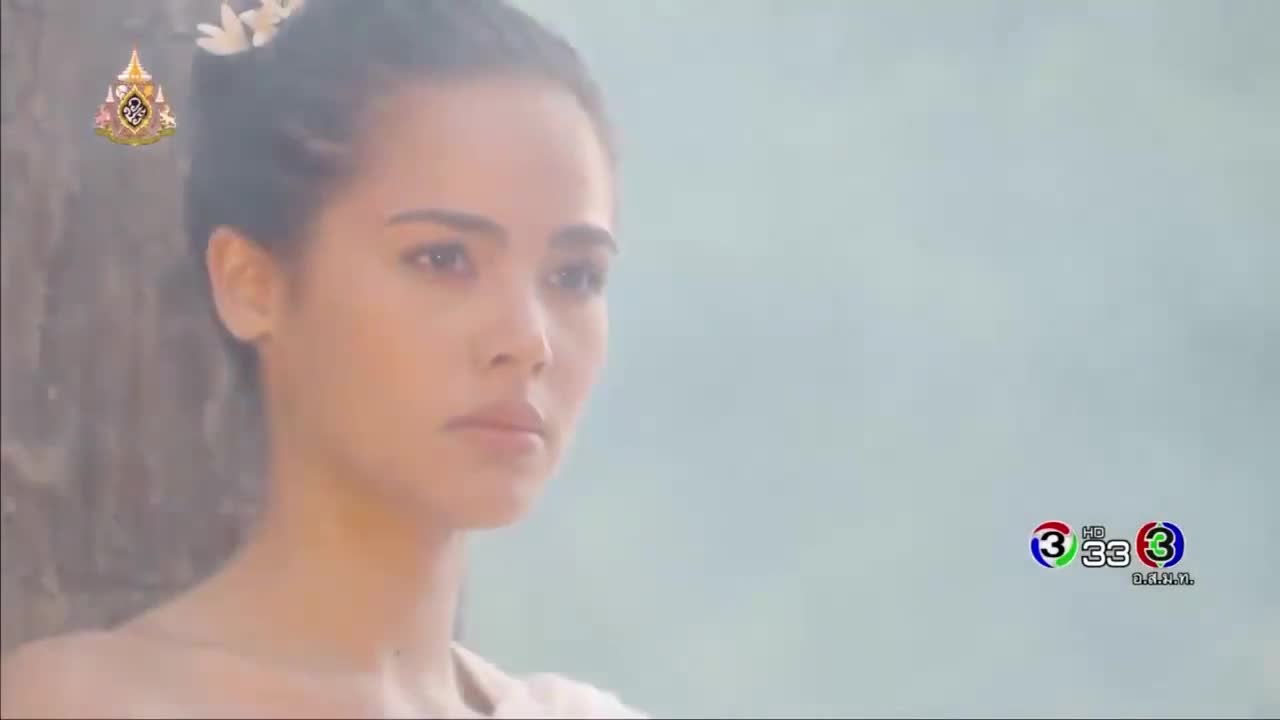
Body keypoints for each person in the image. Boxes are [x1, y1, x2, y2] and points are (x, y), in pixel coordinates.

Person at [1, 0, 642, 717]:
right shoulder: (91, 703)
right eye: (442, 258)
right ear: (252, 284)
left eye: (575, 276)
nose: (528, 340)